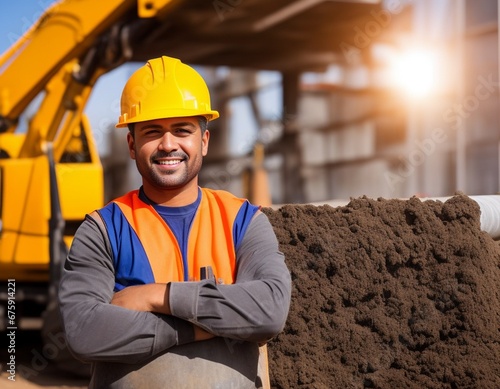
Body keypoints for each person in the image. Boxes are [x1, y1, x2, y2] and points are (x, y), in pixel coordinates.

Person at [58, 55, 291, 389]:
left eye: (182, 130)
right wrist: (203, 325)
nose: (168, 145)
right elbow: (84, 332)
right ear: (131, 144)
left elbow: (268, 312)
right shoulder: (103, 230)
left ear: (204, 142)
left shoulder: (242, 221)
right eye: (153, 132)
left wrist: (159, 297)